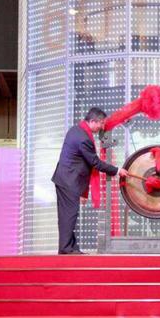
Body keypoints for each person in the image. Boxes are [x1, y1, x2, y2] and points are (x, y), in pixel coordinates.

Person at [52, 108, 128, 254]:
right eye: (101, 123)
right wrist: (117, 170)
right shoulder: (83, 138)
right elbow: (95, 162)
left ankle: (70, 247)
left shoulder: (75, 130)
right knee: (69, 215)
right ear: (92, 121)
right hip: (69, 180)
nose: (102, 127)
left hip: (65, 178)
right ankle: (66, 249)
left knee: (67, 215)